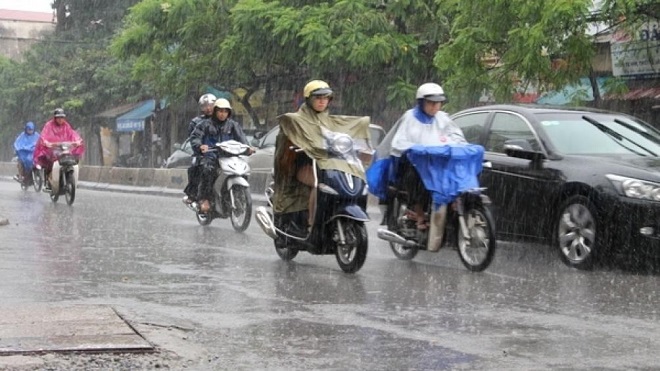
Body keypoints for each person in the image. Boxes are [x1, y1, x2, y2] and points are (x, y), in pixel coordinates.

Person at [273, 80, 371, 231]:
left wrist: (361, 149)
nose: (322, 101)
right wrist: (299, 146)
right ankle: (311, 224)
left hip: (328, 167)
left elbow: (345, 136)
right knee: (317, 185)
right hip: (304, 165)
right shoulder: (297, 120)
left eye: (325, 98)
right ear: (309, 99)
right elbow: (287, 139)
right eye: (318, 98)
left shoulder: (331, 121)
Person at [379, 82, 467, 230]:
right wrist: (415, 148)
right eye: (430, 103)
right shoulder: (410, 117)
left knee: (456, 175)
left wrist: (459, 146)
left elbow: (456, 136)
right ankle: (420, 215)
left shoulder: (443, 118)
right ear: (421, 102)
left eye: (438, 103)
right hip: (413, 164)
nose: (434, 106)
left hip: (437, 163)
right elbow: (398, 142)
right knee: (416, 179)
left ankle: (450, 208)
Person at [189, 98, 252, 213]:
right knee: (208, 171)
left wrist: (248, 148)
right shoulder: (204, 124)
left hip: (229, 156)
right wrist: (200, 146)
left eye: (225, 111)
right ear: (215, 111)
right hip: (211, 156)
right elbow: (195, 138)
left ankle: (239, 195)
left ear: (229, 113)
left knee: (242, 170)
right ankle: (205, 198)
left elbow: (242, 138)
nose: (223, 114)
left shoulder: (233, 125)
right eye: (220, 111)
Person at [33, 108, 85, 191]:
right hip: (53, 150)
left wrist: (77, 141)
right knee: (50, 163)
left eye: (62, 117)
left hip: (64, 149)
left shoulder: (66, 125)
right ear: (55, 118)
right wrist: (47, 143)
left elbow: (72, 134)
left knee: (71, 160)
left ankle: (70, 179)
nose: (60, 119)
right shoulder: (48, 125)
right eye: (58, 117)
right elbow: (44, 136)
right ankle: (49, 182)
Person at [182, 93, 217, 205]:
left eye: (211, 105)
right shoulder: (196, 122)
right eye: (205, 105)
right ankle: (194, 194)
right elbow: (193, 138)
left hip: (221, 153)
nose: (208, 108)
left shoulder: (224, 120)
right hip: (203, 154)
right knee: (198, 168)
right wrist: (200, 147)